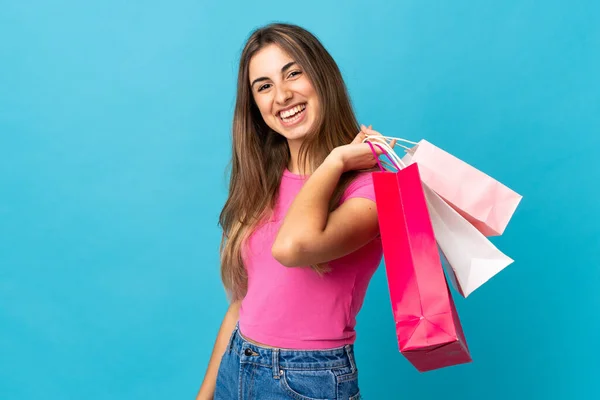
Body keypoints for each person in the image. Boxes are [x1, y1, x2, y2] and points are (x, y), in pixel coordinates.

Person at [196, 22, 392, 400]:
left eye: (293, 73)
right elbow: (243, 304)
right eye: (264, 86)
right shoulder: (262, 183)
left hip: (307, 382)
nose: (282, 95)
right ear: (254, 105)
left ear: (322, 77)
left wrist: (335, 162)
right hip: (236, 363)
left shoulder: (369, 188)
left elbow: (292, 247)